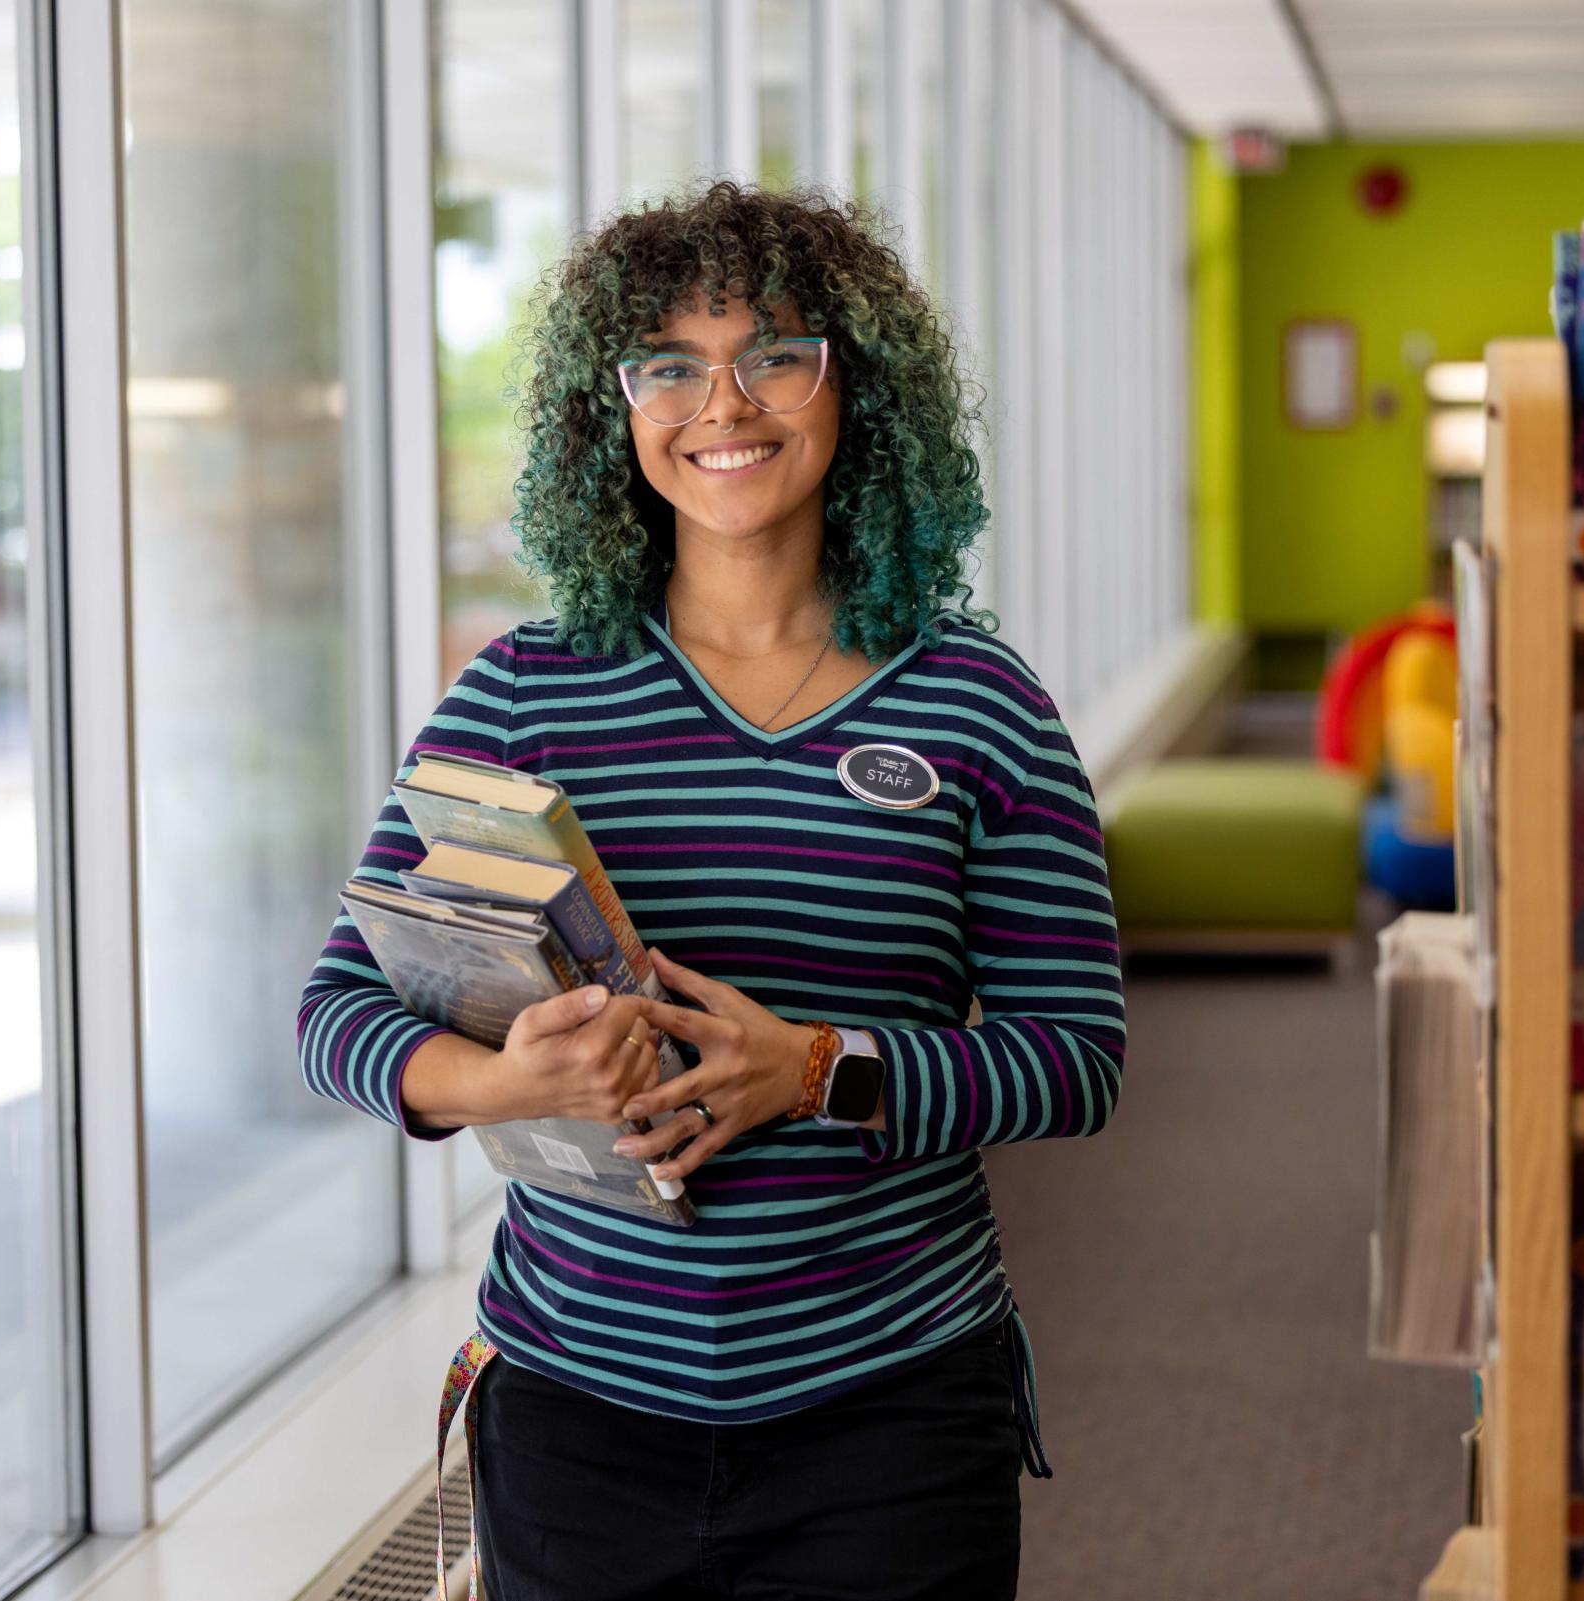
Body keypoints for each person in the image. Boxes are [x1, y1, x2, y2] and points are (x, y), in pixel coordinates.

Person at [296, 180, 1125, 1601]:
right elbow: (336, 1010)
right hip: (576, 1410)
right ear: (610, 409)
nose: (721, 403)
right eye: (668, 364)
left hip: (889, 1409)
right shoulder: (522, 695)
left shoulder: (979, 704)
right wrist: (512, 1085)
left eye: (775, 354)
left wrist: (814, 1069)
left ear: (852, 384)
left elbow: (1074, 1060)